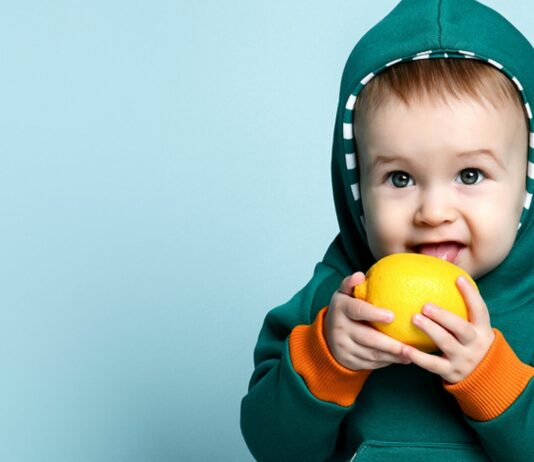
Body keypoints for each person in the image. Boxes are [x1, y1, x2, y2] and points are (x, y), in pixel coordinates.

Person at [240, 1, 534, 461]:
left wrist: (491, 379)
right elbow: (273, 448)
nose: (433, 212)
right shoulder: (337, 303)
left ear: (527, 180)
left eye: (470, 175)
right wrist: (327, 361)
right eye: (400, 178)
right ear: (357, 188)